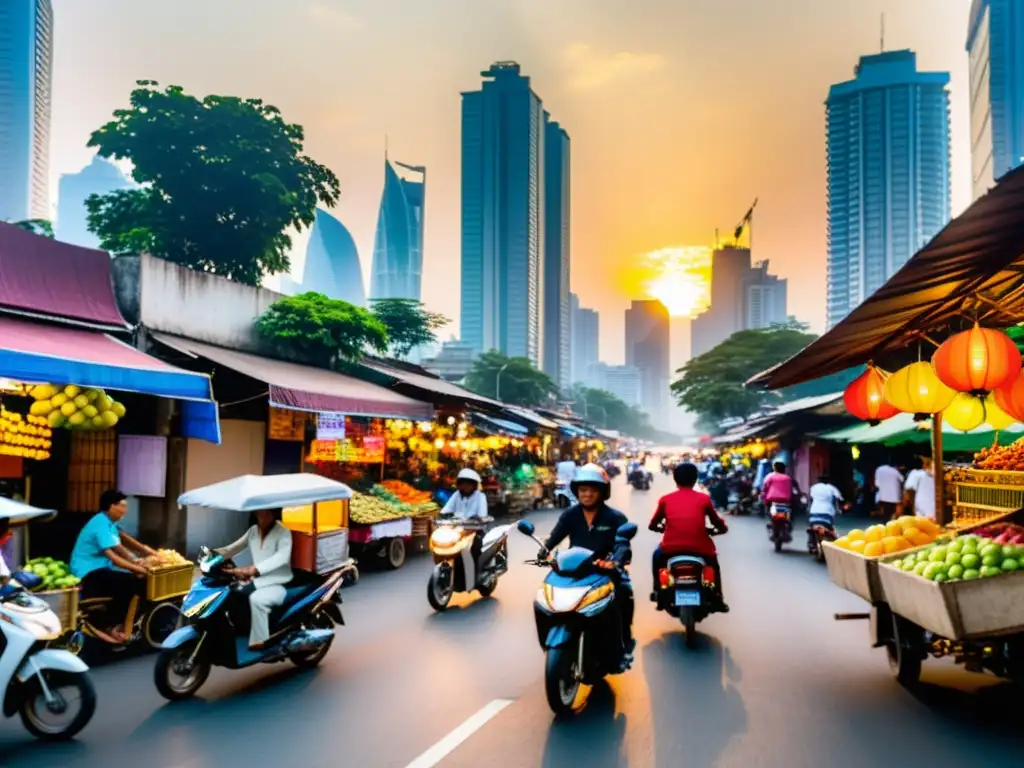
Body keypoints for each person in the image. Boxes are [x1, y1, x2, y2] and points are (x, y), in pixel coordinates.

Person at [539, 464, 635, 661]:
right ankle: (550, 639)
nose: (587, 494)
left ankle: (622, 647)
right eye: (583, 490)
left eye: (593, 490)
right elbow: (555, 536)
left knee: (623, 594)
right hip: (575, 570)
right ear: (577, 492)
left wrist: (615, 561)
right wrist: (544, 549)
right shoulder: (570, 515)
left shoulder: (615, 518)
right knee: (544, 595)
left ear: (602, 493)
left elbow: (623, 546)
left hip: (605, 570)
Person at [70, 489, 155, 644]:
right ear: (111, 506)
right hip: (88, 572)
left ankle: (123, 624)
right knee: (129, 585)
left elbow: (125, 542)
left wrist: (152, 555)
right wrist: (140, 568)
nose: (125, 510)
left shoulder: (109, 523)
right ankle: (112, 626)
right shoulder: (100, 523)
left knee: (131, 579)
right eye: (122, 506)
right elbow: (114, 556)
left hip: (99, 569)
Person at [649, 463, 730, 611]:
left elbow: (653, 524)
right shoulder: (704, 499)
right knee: (713, 565)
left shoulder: (665, 499)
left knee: (657, 558)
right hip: (701, 548)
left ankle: (659, 593)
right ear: (695, 479)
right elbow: (717, 521)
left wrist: (661, 528)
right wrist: (720, 530)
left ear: (675, 479)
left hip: (670, 548)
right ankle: (718, 597)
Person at [217, 509, 294, 650]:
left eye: (266, 512)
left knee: (257, 599)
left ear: (274, 513)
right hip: (258, 579)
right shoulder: (253, 531)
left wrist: (255, 569)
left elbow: (281, 558)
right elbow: (232, 548)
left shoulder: (283, 532)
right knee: (233, 593)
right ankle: (242, 629)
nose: (262, 515)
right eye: (259, 512)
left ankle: (260, 640)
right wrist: (212, 554)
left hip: (278, 582)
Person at [807, 474, 844, 541]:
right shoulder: (832, 488)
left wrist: (808, 509)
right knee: (831, 531)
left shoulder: (814, 487)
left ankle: (811, 542)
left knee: (811, 527)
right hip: (828, 513)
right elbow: (838, 499)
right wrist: (838, 509)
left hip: (814, 512)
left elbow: (811, 499)